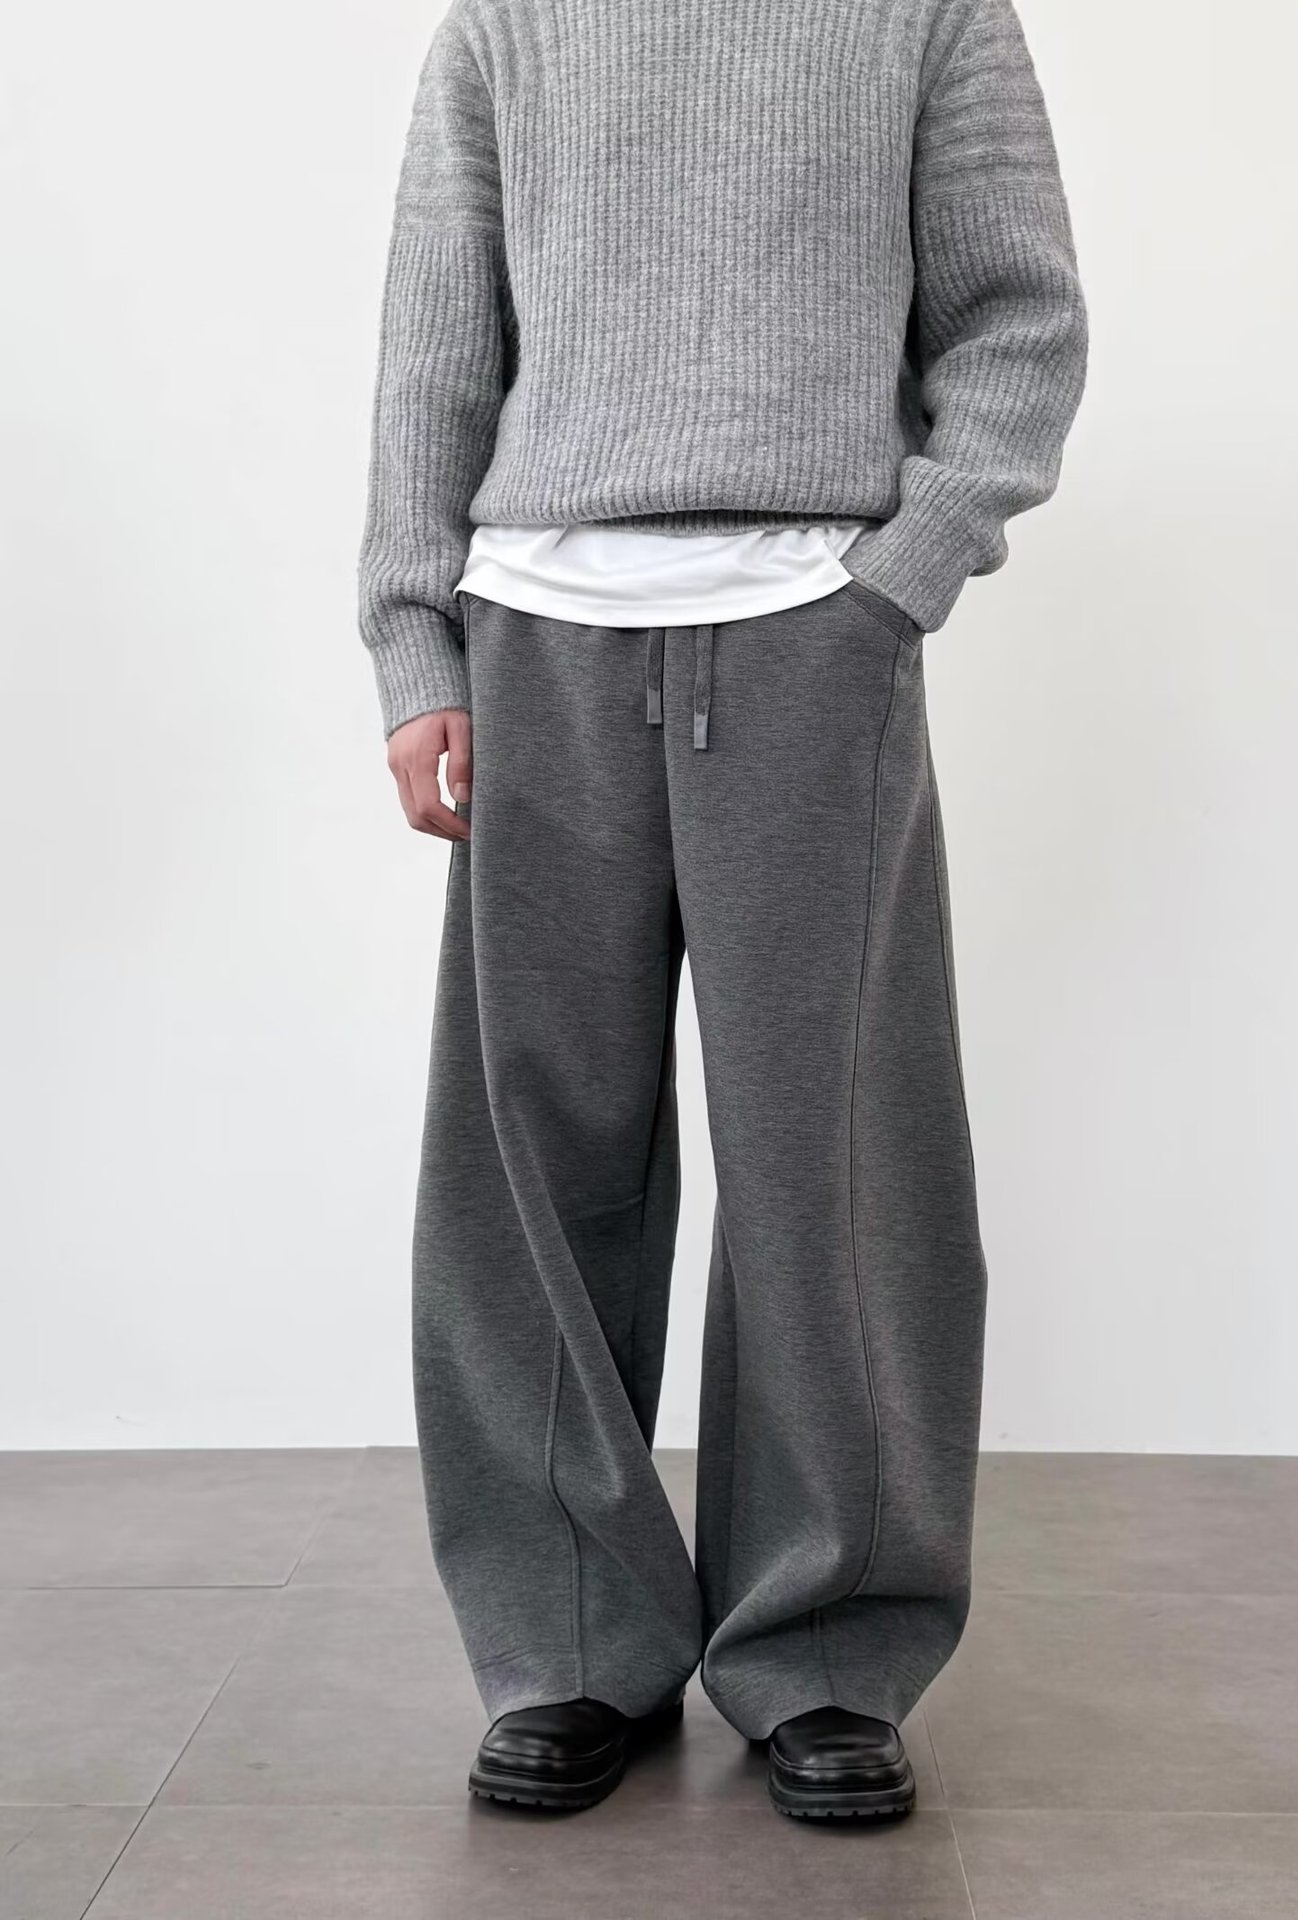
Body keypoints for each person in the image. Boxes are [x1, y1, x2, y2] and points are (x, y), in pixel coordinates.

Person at [358, 0, 1086, 1821]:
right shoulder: (507, 21)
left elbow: (1019, 318)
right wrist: (414, 641)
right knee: (531, 1164)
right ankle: (568, 1640)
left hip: (813, 637)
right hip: (537, 638)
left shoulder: (929, 12)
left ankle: (825, 1651)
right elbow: (435, 345)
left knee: (837, 1159)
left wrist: (899, 579)